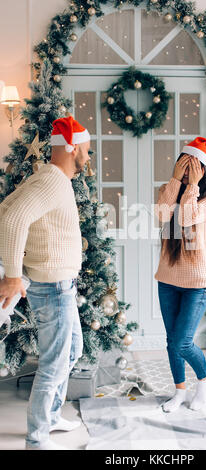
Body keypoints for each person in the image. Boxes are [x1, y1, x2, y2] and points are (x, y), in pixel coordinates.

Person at [0, 116, 91, 450]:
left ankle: (51, 418)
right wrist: (11, 275)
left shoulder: (50, 179)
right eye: (87, 150)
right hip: (53, 287)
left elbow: (4, 210)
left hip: (59, 284)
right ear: (74, 147)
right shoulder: (53, 180)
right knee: (54, 363)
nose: (88, 157)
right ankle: (37, 439)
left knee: (74, 350)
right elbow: (11, 219)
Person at [154, 137, 206, 413]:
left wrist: (192, 185)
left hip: (198, 283)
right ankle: (179, 391)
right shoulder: (168, 189)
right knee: (172, 341)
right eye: (183, 164)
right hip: (168, 279)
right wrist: (174, 181)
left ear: (203, 169)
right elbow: (162, 216)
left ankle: (205, 379)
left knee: (182, 341)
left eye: (192, 166)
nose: (185, 170)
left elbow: (185, 217)